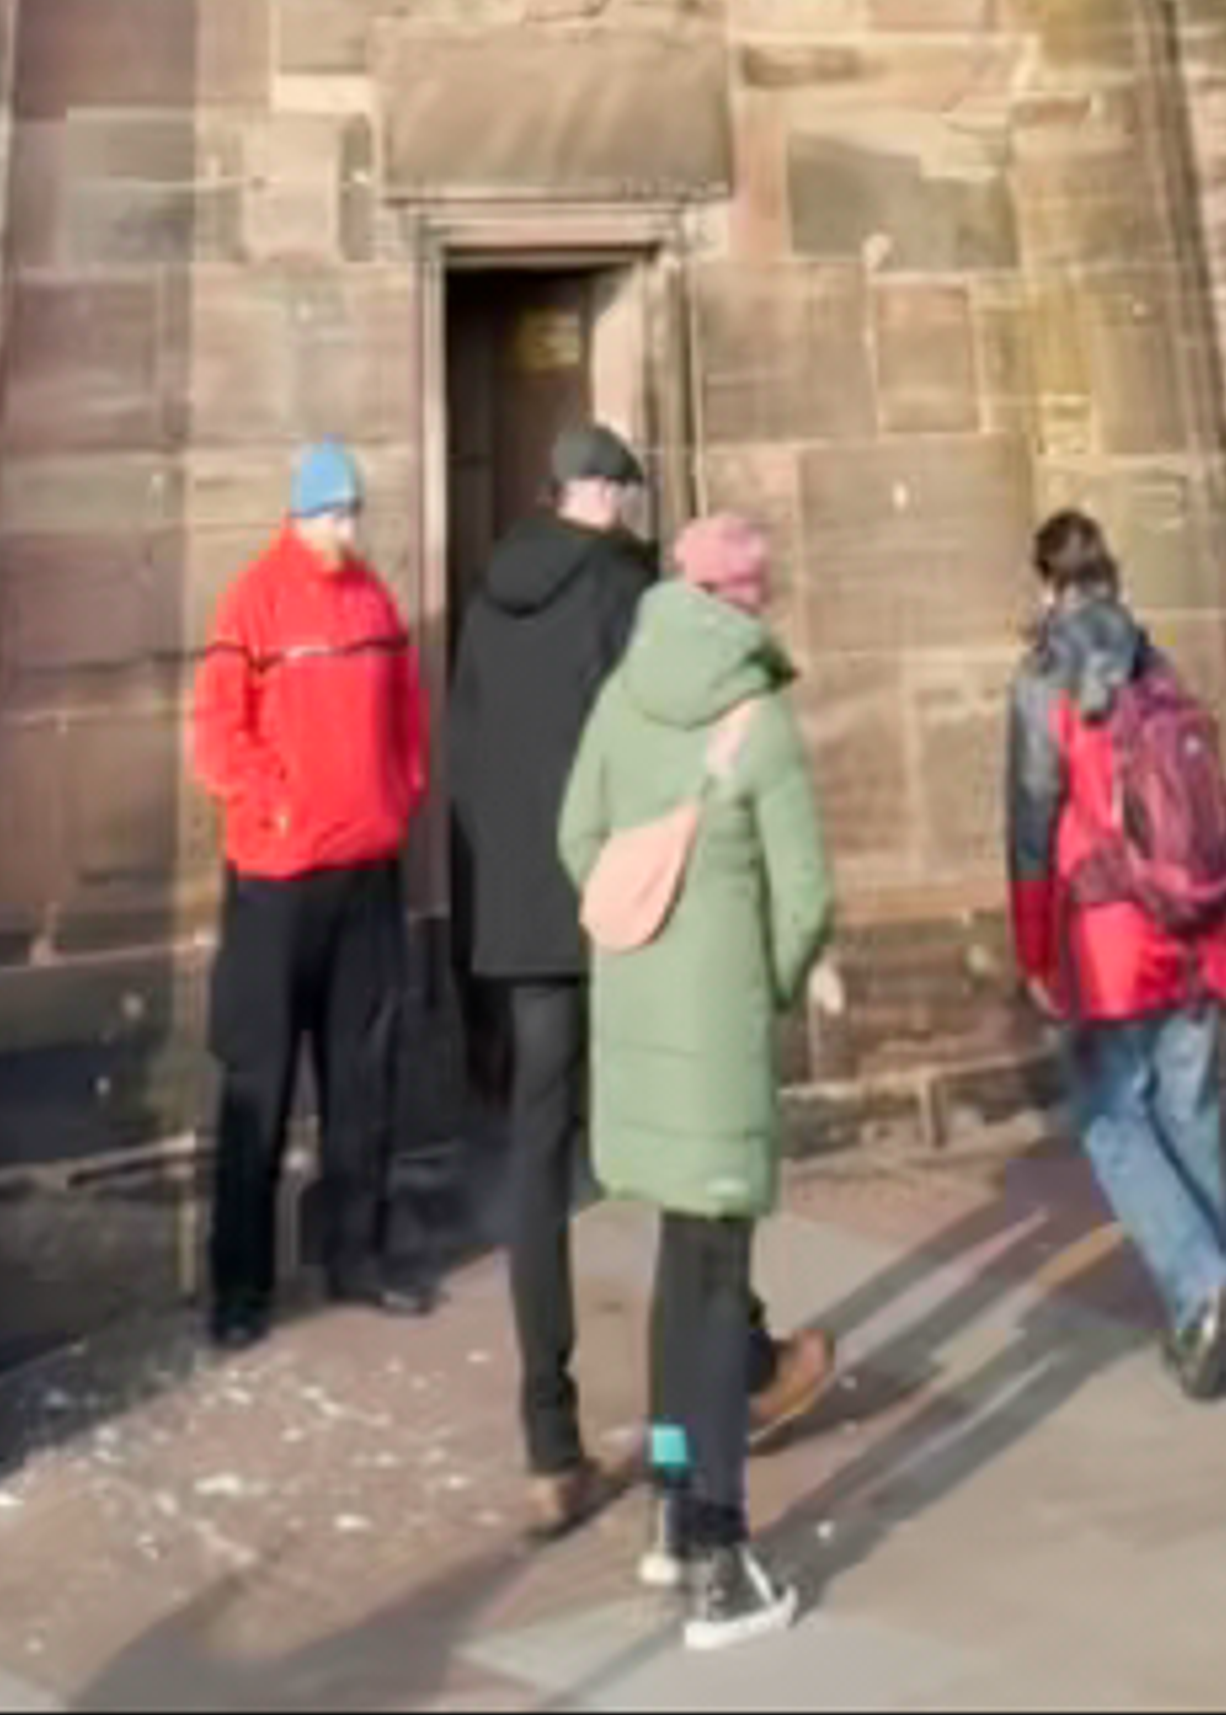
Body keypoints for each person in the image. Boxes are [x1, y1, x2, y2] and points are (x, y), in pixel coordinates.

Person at [446, 420, 831, 1538]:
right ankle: (716, 1396)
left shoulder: (484, 594)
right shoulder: (626, 586)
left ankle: (550, 1443)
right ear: (610, 494)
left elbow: (465, 763)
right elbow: (661, 735)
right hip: (628, 904)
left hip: (522, 917)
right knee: (675, 1148)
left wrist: (505, 889)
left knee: (535, 1161)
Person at [561, 504, 834, 1658]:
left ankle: (672, 1507)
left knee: (681, 1276)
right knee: (719, 1288)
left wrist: (645, 946)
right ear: (749, 596)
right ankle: (717, 1553)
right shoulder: (757, 719)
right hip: (714, 1035)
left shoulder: (623, 696)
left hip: (634, 1023)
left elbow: (580, 838)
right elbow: (808, 894)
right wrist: (757, 982)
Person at [1008, 508, 1226, 1398]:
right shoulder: (1158, 662)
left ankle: (1199, 1282)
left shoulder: (1044, 677)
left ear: (1047, 583)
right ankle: (1201, 1311)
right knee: (1190, 1108)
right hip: (1193, 925)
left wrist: (1032, 953)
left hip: (1108, 937)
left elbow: (1029, 826)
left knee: (1106, 1114)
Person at [190, 442, 434, 1344]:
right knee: (259, 1078)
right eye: (333, 513)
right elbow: (218, 734)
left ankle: (356, 1258)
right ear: (299, 514)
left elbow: (407, 708)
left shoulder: (373, 597)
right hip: (276, 881)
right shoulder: (253, 598)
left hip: (365, 869)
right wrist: (278, 806)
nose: (347, 528)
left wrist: (400, 791)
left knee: (363, 1074)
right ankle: (240, 1289)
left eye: (353, 512)